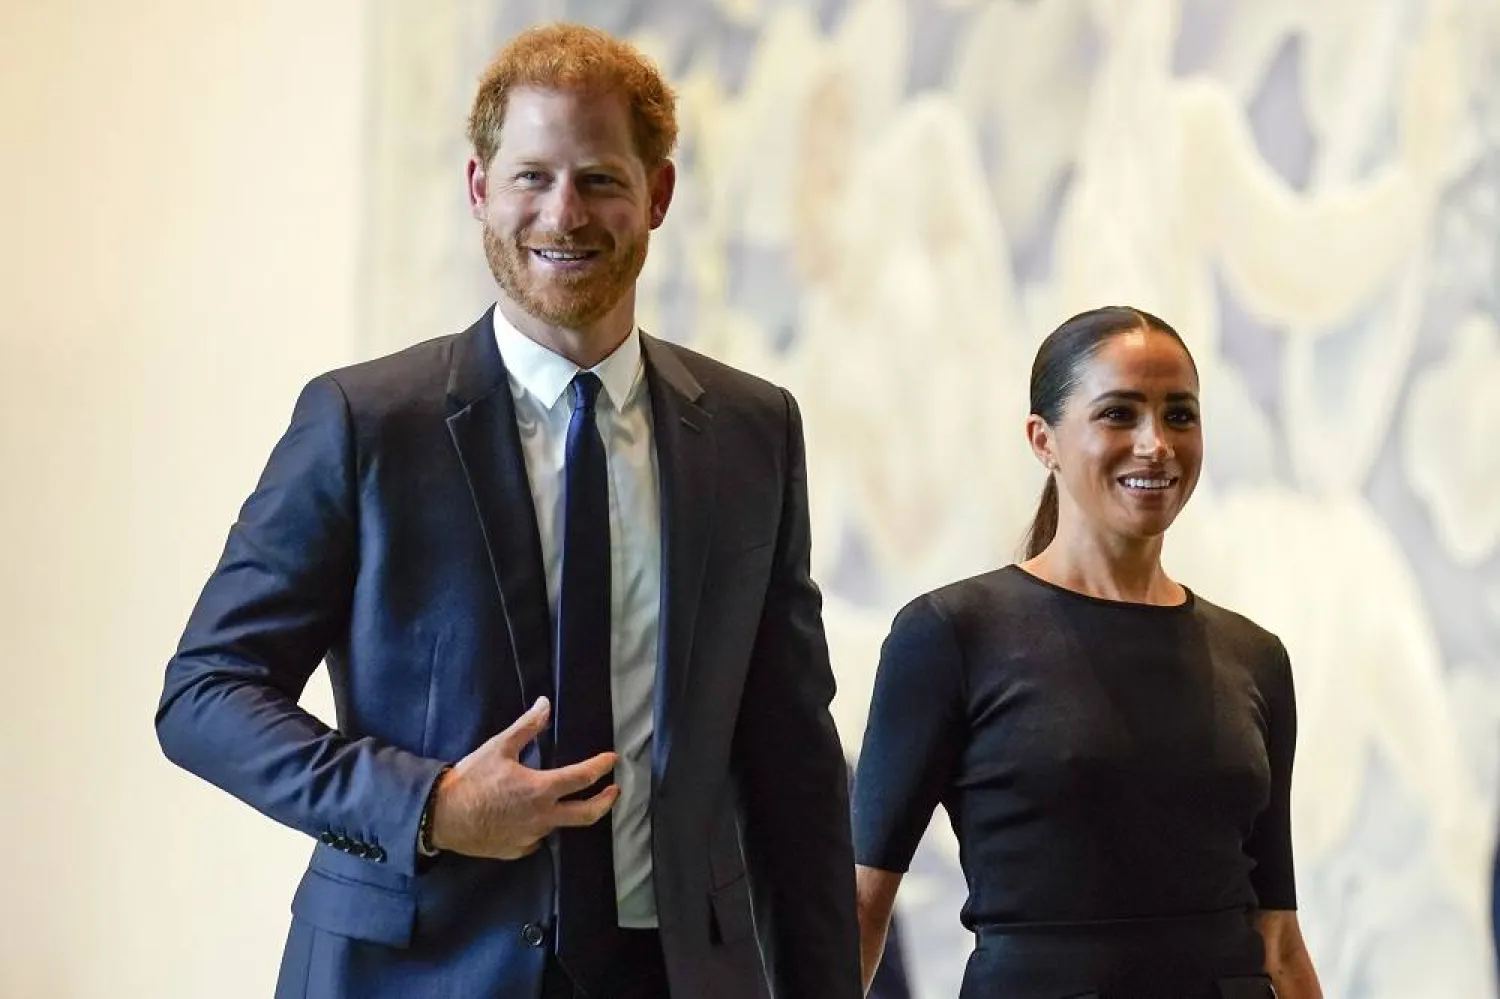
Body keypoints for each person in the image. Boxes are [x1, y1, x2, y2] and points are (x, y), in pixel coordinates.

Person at [155, 22, 860, 999]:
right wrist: (431, 805)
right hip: (410, 973)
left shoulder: (752, 431)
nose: (564, 214)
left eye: (600, 179)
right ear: (479, 187)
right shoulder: (365, 422)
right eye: (532, 176)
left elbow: (795, 765)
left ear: (657, 194)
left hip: (672, 975)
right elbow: (205, 695)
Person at [851, 306, 1323, 999]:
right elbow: (862, 907)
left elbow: (1277, 937)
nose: (1155, 443)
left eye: (1180, 415)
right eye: (1118, 414)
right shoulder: (951, 634)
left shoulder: (1255, 658)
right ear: (1043, 440)